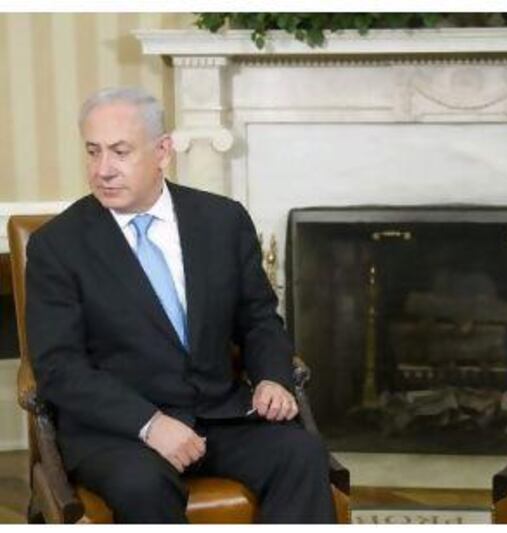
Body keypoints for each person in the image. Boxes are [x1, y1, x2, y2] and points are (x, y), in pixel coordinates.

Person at [25, 87, 336, 523]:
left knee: (301, 454)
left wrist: (271, 377)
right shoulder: (57, 246)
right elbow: (60, 368)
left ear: (163, 150)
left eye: (120, 152)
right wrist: (150, 424)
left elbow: (259, 318)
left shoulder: (222, 220)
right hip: (119, 433)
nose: (103, 170)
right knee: (143, 485)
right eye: (93, 152)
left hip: (219, 416)